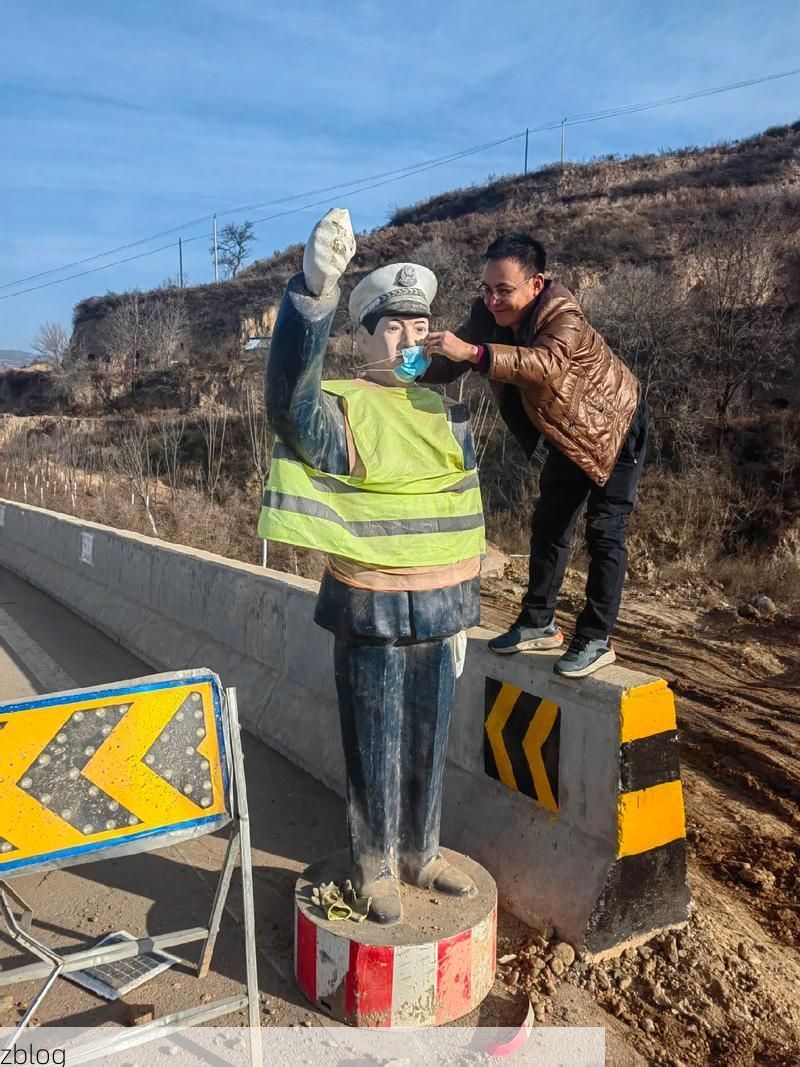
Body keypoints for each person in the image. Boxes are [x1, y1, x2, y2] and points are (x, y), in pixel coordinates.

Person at [259, 209, 485, 924]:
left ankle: (422, 848)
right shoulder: (343, 406)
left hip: (441, 608)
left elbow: (460, 512)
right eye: (393, 326)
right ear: (365, 335)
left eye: (420, 327)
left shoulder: (447, 414)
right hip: (370, 607)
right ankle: (373, 860)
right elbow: (288, 407)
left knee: (429, 736)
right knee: (375, 741)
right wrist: (314, 296)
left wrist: (464, 613)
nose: (410, 339)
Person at [423, 233, 648, 678]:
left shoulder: (563, 314)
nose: (492, 300)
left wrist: (471, 351)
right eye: (486, 289)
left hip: (617, 424)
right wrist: (408, 367)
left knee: (604, 532)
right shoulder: (485, 316)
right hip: (567, 430)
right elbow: (452, 364)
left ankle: (596, 637)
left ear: (536, 283)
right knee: (549, 524)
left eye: (503, 290)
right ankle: (538, 622)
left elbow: (544, 366)